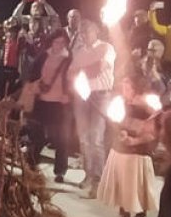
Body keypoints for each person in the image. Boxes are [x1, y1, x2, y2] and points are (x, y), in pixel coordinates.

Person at [98, 76, 158, 217]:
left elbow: (153, 133)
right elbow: (117, 124)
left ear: (136, 88)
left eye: (128, 86)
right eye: (123, 86)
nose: (124, 90)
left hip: (137, 155)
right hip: (120, 151)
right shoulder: (121, 103)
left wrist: (135, 140)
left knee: (136, 190)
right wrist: (120, 132)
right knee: (121, 187)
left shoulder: (147, 108)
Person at [70, 21, 115, 198]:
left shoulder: (106, 48)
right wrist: (80, 70)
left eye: (87, 31)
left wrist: (80, 69)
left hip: (100, 95)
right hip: (81, 97)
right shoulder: (80, 51)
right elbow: (71, 73)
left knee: (96, 138)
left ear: (96, 31)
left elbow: (99, 69)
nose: (84, 34)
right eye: (81, 32)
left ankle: (99, 180)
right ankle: (89, 174)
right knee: (83, 138)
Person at [26, 28, 73, 183]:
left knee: (61, 138)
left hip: (60, 103)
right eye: (56, 41)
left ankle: (60, 171)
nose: (59, 45)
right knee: (37, 136)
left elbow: (74, 78)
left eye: (62, 42)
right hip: (42, 101)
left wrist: (69, 94)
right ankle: (31, 164)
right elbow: (32, 74)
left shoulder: (69, 58)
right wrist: (35, 85)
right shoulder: (43, 56)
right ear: (51, 41)